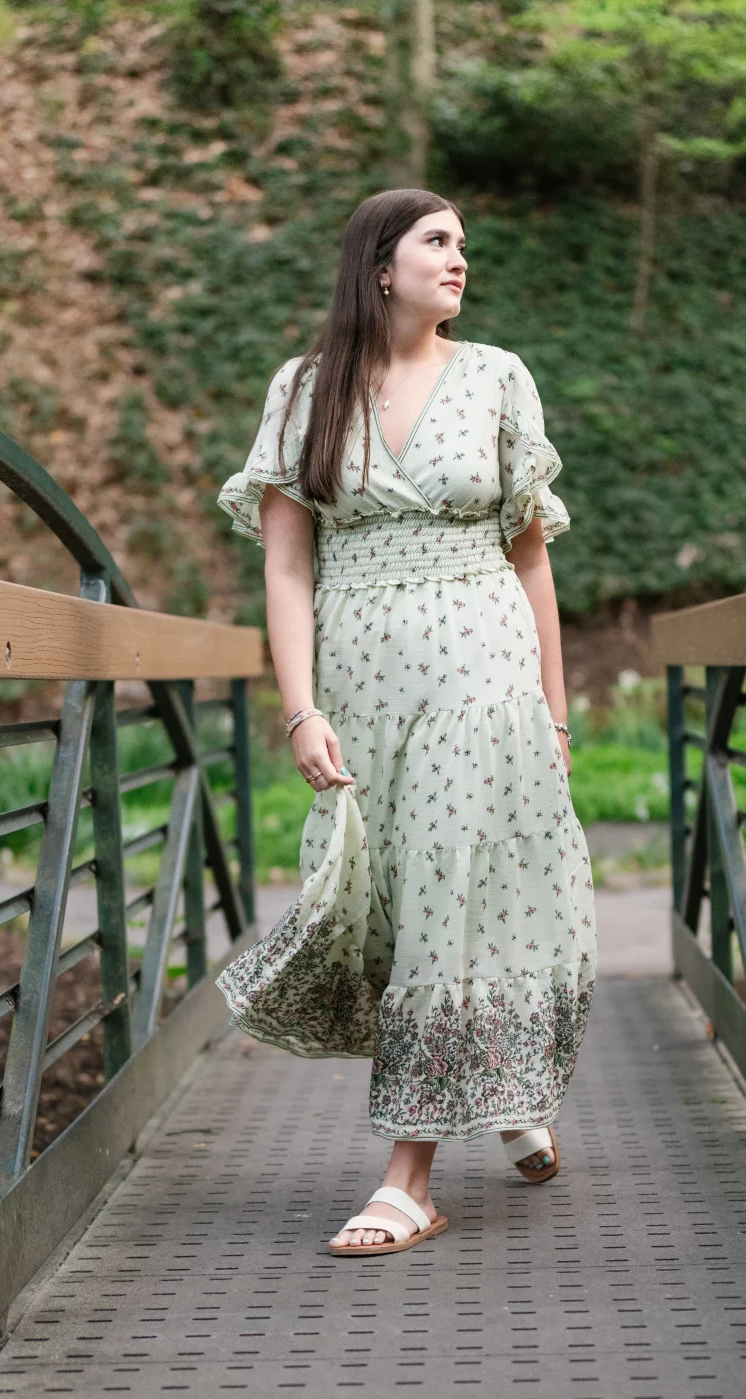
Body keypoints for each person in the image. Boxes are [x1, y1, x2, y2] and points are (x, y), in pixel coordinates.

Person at [215, 187, 597, 1255]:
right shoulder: (304, 390)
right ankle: (502, 1087)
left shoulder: (496, 377)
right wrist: (299, 707)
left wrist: (555, 718)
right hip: (362, 674)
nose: (459, 258)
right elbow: (287, 563)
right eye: (437, 241)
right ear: (379, 265)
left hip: (481, 660)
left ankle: (408, 1176)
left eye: (464, 243)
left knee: (449, 879)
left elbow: (531, 555)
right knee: (388, 901)